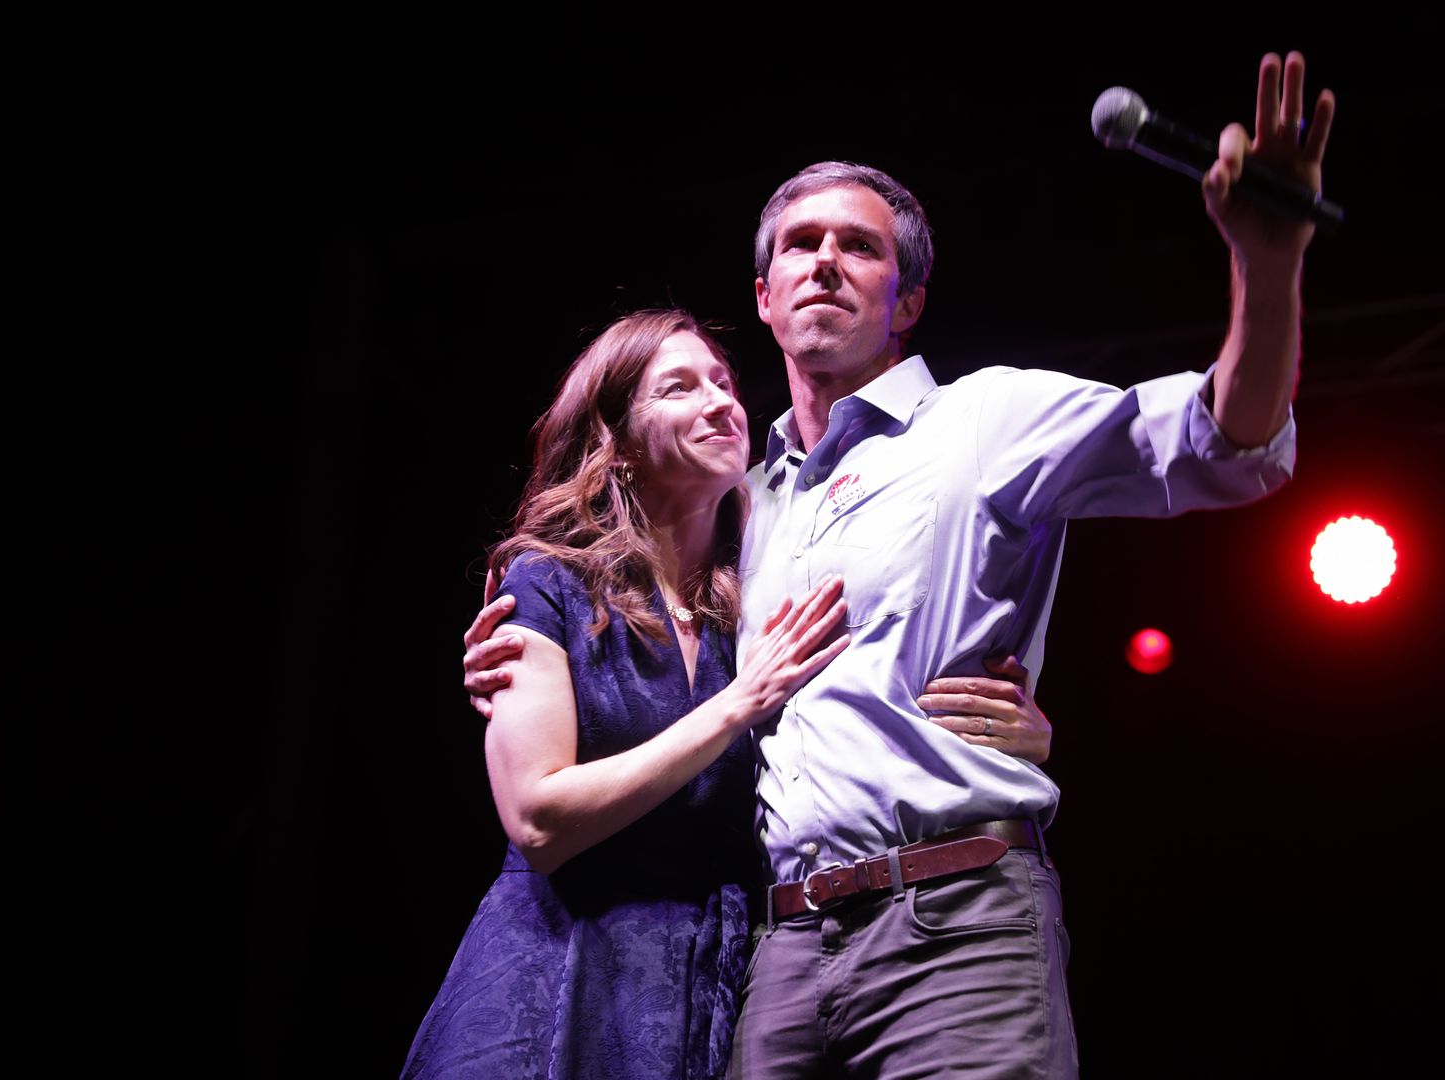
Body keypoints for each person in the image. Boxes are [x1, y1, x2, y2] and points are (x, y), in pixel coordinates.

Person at [466, 50, 1332, 1078]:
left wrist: (1265, 265)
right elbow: (648, 631)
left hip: (952, 923)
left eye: (859, 248)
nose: (824, 261)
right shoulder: (743, 498)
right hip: (778, 955)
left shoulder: (986, 418)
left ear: (907, 300)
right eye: (800, 245)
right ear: (766, 292)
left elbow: (1223, 443)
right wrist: (539, 623)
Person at [402, 309, 1053, 1080]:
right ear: (617, 442)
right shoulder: (551, 584)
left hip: (715, 989)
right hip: (564, 978)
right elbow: (539, 822)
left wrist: (1013, 727)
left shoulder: (752, 599)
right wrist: (737, 704)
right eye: (678, 387)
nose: (721, 401)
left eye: (723, 381)